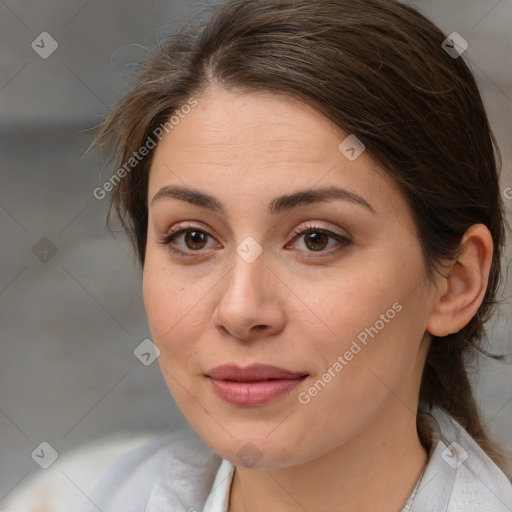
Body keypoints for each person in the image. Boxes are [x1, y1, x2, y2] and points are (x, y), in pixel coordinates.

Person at [77, 0, 512, 510]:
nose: (240, 311)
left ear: (455, 283)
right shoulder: (86, 493)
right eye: (193, 238)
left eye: (317, 239)